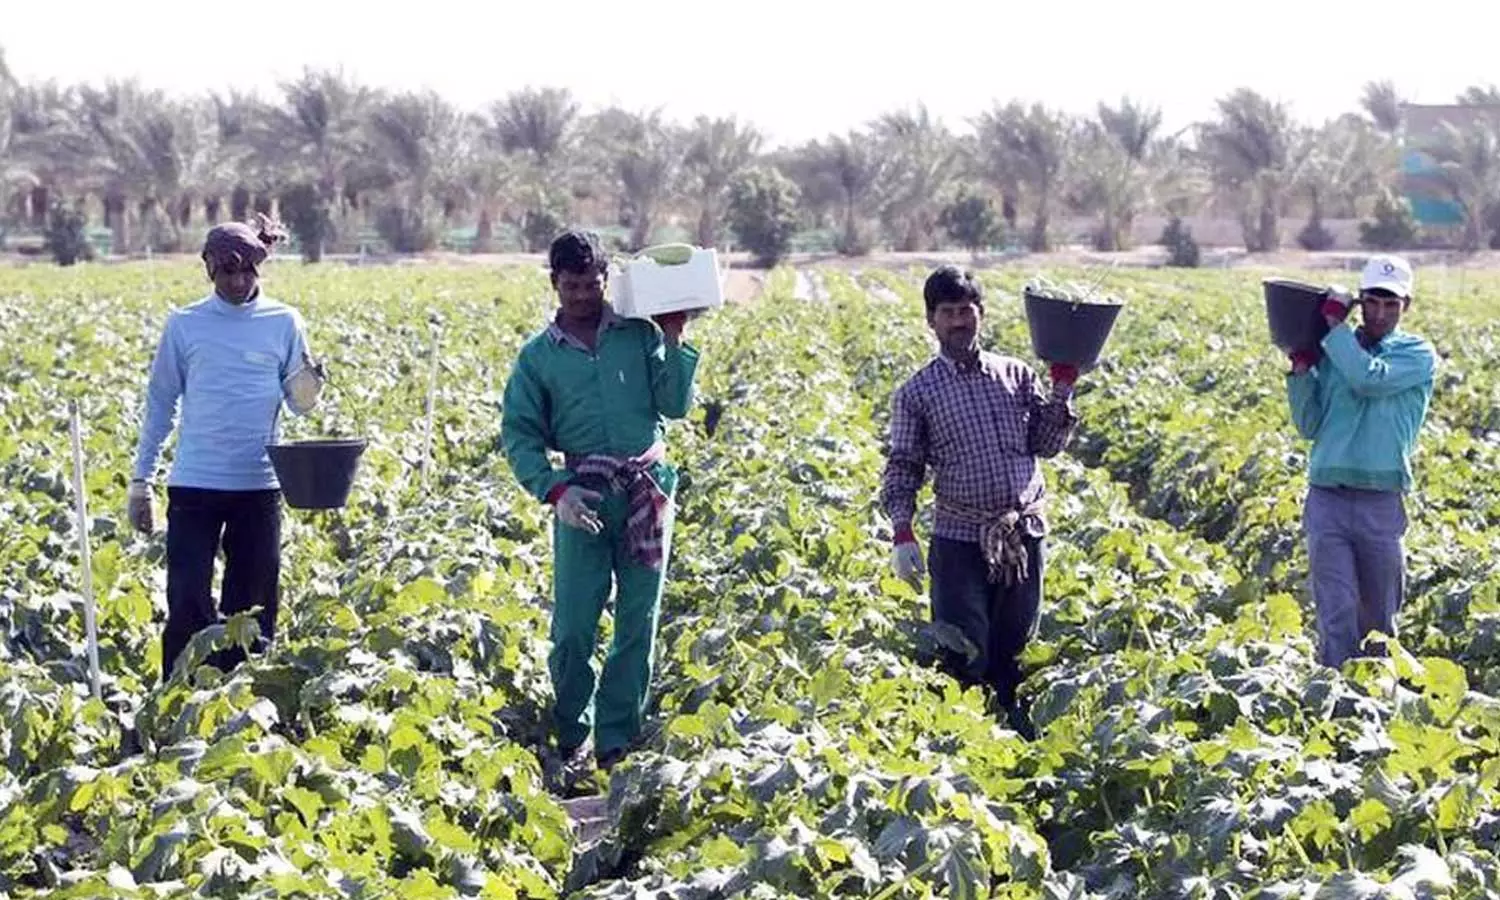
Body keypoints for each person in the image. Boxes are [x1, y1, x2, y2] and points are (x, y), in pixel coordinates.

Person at [500, 228, 699, 778]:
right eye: (572, 286)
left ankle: (618, 739)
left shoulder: (637, 334)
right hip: (583, 494)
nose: (583, 296)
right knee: (574, 625)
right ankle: (573, 733)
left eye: (592, 284)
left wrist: (675, 340)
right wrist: (555, 490)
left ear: (606, 280)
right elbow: (518, 434)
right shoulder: (539, 357)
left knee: (639, 619)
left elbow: (674, 405)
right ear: (554, 284)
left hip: (646, 487)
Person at [879, 265, 1079, 737]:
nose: (958, 321)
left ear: (981, 315)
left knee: (1016, 648)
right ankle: (966, 746)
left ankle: (1016, 740)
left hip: (1023, 537)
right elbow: (904, 466)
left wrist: (1063, 388)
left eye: (966, 310)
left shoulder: (1016, 375)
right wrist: (902, 532)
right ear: (931, 321)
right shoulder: (917, 394)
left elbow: (1046, 444)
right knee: (965, 653)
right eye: (947, 313)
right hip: (960, 541)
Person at [127, 214, 326, 682]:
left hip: (259, 485)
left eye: (246, 272)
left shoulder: (284, 322)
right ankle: (180, 695)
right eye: (226, 273)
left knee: (253, 604)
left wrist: (309, 389)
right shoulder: (185, 325)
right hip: (195, 483)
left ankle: (245, 699)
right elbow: (160, 403)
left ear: (259, 269)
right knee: (187, 598)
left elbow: (299, 407)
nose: (237, 282)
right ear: (209, 271)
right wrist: (142, 482)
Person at [1285, 254, 1437, 668]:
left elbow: (1368, 379)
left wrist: (1333, 331)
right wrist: (1300, 372)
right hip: (1328, 499)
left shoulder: (1416, 355)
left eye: (1392, 304)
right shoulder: (1339, 350)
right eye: (1373, 301)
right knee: (1335, 614)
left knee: (1378, 620)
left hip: (1380, 503)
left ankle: (1376, 708)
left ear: (1407, 306)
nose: (1381, 313)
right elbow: (1310, 423)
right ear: (1361, 302)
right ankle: (1337, 710)